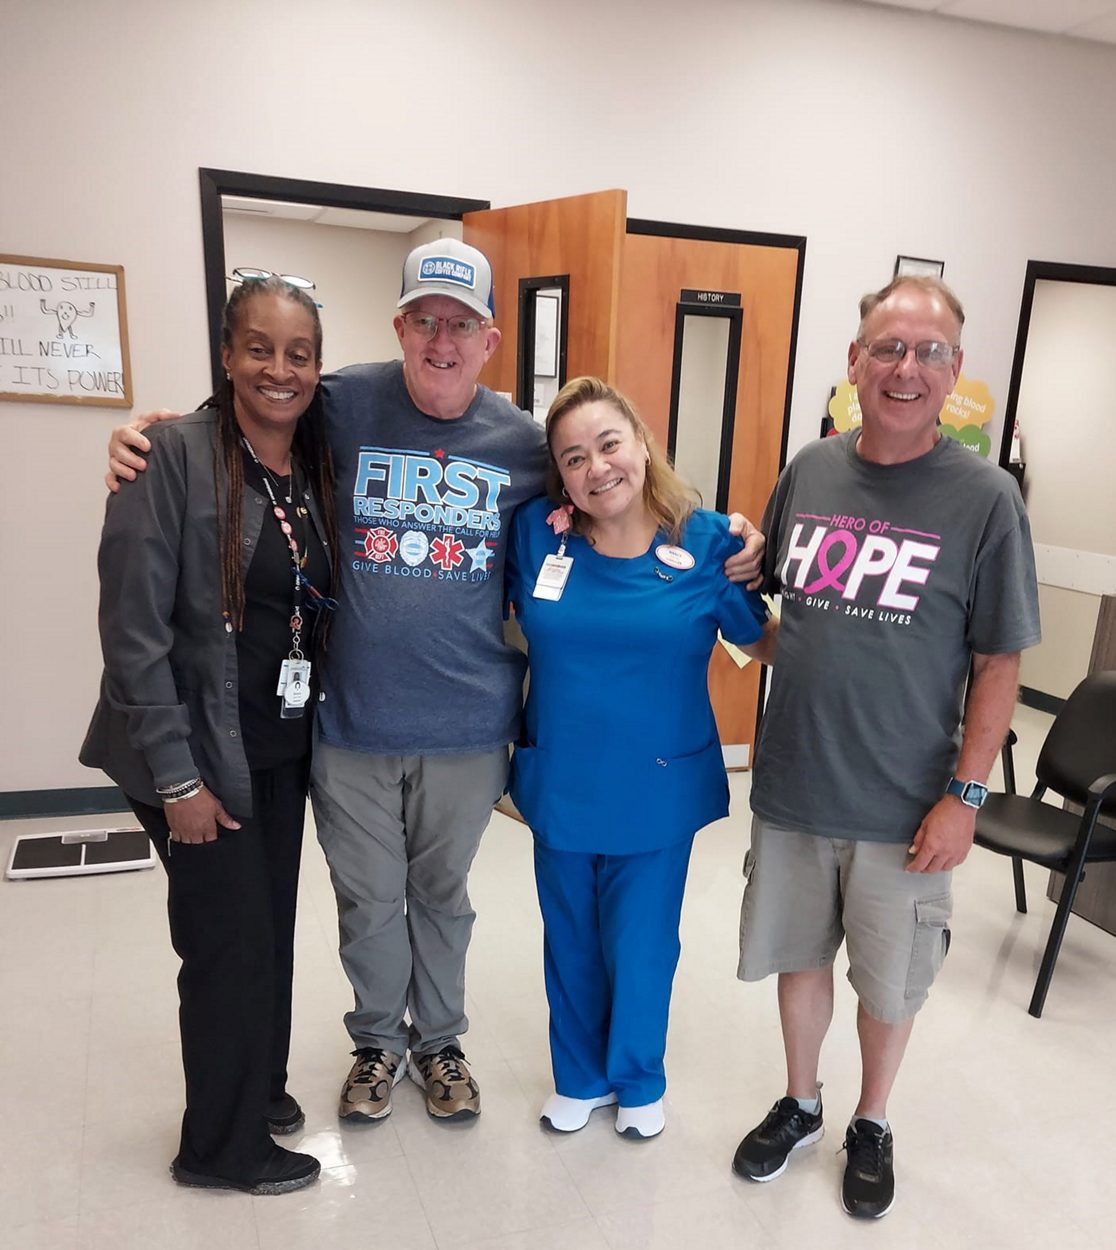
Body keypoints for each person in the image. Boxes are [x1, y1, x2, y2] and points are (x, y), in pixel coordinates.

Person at [106, 239, 765, 1126]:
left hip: (467, 725)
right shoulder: (341, 401)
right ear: (401, 326)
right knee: (368, 902)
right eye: (426, 321)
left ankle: (440, 1042)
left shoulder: (529, 444)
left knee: (442, 899)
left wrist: (720, 537)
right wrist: (147, 438)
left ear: (490, 339)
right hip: (351, 723)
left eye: (460, 325)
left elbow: (619, 489)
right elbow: (253, 411)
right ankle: (377, 1043)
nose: (441, 341)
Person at [731, 276, 1040, 1218]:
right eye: (887, 349)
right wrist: (734, 569)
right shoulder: (810, 470)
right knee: (798, 957)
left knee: (891, 981)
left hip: (907, 805)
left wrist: (967, 797)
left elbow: (998, 663)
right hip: (795, 782)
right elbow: (784, 613)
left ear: (954, 372)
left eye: (929, 351)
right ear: (854, 362)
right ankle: (800, 1101)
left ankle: (871, 1119)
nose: (906, 368)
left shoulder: (986, 500)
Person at [81, 276, 338, 1194]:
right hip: (191, 755)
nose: (280, 369)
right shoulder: (169, 459)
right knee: (227, 947)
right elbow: (133, 638)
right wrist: (179, 784)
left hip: (275, 749)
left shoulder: (311, 461)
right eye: (259, 348)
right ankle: (221, 1148)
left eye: (299, 353)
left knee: (265, 934)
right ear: (225, 355)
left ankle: (256, 1090)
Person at [506, 377, 776, 1140]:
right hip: (562, 777)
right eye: (573, 457)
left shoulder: (709, 538)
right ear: (558, 475)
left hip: (658, 783)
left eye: (608, 444)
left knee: (642, 940)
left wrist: (778, 580)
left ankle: (637, 1075)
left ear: (641, 441)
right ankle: (581, 1078)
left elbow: (760, 639)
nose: (596, 468)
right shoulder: (536, 533)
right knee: (570, 937)